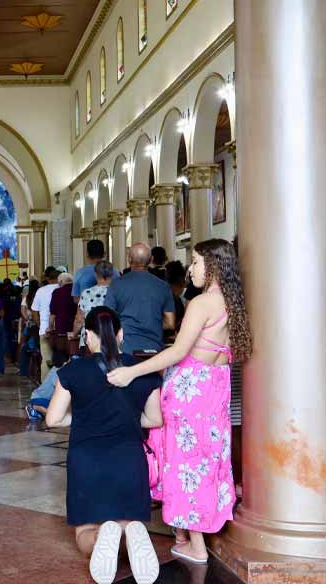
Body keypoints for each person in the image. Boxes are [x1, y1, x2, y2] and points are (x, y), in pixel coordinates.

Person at [107, 238, 250, 565]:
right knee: (207, 460)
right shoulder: (232, 301)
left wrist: (132, 372)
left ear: (213, 265)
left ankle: (196, 545)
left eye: (196, 262)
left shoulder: (202, 303)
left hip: (190, 392)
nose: (190, 269)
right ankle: (187, 535)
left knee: (186, 464)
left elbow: (177, 351)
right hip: (214, 392)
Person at [46, 307, 163, 584]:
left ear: (87, 336)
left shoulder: (73, 370)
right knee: (124, 519)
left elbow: (53, 418)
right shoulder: (140, 370)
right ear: (120, 334)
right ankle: (132, 529)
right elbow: (155, 418)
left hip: (86, 460)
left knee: (85, 532)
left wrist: (85, 417)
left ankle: (100, 535)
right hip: (129, 460)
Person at [103, 244, 176, 361]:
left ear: (129, 259)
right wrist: (151, 321)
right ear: (151, 259)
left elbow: (107, 317)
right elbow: (170, 323)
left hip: (124, 348)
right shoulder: (163, 286)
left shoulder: (116, 284)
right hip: (154, 349)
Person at [72, 261, 114, 351]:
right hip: (112, 339)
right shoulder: (118, 292)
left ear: (95, 274)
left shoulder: (87, 293)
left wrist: (74, 334)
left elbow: (79, 319)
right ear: (112, 274)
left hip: (90, 340)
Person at [30, 267, 61, 379]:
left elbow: (34, 310)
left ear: (48, 279)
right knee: (62, 360)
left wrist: (39, 324)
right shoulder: (63, 289)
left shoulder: (41, 290)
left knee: (46, 360)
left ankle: (45, 387)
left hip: (45, 329)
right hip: (62, 330)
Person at [49, 272, 77, 365]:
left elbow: (53, 314)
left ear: (61, 282)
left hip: (62, 330)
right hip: (76, 330)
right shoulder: (78, 291)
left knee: (61, 357)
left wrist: (51, 327)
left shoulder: (57, 292)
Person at [18, 279, 41, 377]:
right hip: (39, 324)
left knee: (23, 343)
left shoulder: (27, 297)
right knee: (34, 341)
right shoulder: (40, 295)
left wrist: (27, 319)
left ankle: (23, 370)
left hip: (29, 324)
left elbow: (22, 310)